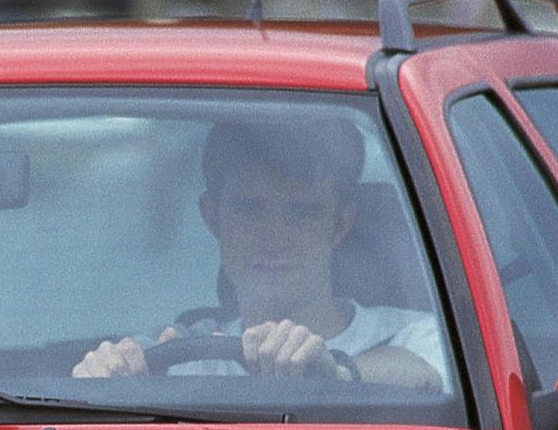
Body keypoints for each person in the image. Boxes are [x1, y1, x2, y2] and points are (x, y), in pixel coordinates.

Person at [73, 113, 447, 390]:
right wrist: (103, 377)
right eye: (250, 209)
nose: (273, 236)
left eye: (301, 212)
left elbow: (424, 371)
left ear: (341, 224)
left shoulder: (420, 335)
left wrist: (335, 372)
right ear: (211, 217)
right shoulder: (178, 356)